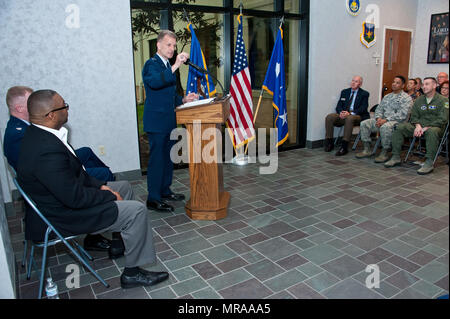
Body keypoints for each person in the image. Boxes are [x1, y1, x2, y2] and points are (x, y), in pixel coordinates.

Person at [17, 90, 169, 289]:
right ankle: (132, 273)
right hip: (63, 215)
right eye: (64, 106)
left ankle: (118, 245)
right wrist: (106, 194)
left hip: (64, 201)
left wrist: (101, 185)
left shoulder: (41, 135)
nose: (68, 109)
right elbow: (74, 198)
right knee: (137, 211)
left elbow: (76, 174)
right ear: (51, 115)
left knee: (123, 186)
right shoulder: (45, 150)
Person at [3, 86, 115, 253]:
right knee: (103, 175)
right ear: (20, 108)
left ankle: (106, 195)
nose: (36, 104)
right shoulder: (18, 134)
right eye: (30, 101)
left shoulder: (27, 127)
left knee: (87, 152)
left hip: (57, 173)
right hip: (54, 190)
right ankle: (99, 224)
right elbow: (46, 170)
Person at [142, 30, 198, 212]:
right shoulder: (151, 65)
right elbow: (156, 83)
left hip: (169, 120)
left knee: (168, 159)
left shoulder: (167, 64)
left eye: (174, 46)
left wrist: (182, 100)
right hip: (156, 122)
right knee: (157, 160)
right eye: (168, 45)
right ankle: (153, 198)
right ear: (158, 45)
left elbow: (167, 94)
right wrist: (175, 66)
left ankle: (165, 191)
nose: (172, 49)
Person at [385, 77, 449, 175]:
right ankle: (395, 156)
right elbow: (414, 116)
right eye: (423, 84)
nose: (424, 86)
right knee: (399, 127)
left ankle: (429, 162)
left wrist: (427, 127)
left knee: (432, 132)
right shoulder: (419, 99)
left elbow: (443, 118)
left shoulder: (443, 100)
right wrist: (418, 125)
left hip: (436, 127)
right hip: (419, 126)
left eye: (427, 84)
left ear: (435, 85)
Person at [356, 76, 413, 163]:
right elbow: (379, 109)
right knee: (364, 123)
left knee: (385, 127)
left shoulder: (406, 98)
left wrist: (386, 120)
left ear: (402, 85)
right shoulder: (387, 96)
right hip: (382, 120)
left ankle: (385, 152)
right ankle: (367, 149)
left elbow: (403, 114)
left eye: (397, 83)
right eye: (393, 82)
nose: (394, 84)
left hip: (397, 122)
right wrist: (378, 118)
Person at [324, 76, 370, 156]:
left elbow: (363, 108)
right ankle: (329, 143)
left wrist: (350, 113)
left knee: (349, 118)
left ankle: (344, 147)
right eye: (352, 80)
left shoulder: (364, 94)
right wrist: (341, 112)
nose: (353, 82)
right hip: (344, 115)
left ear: (360, 84)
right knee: (330, 117)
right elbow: (339, 105)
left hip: (357, 116)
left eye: (356, 81)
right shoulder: (345, 92)